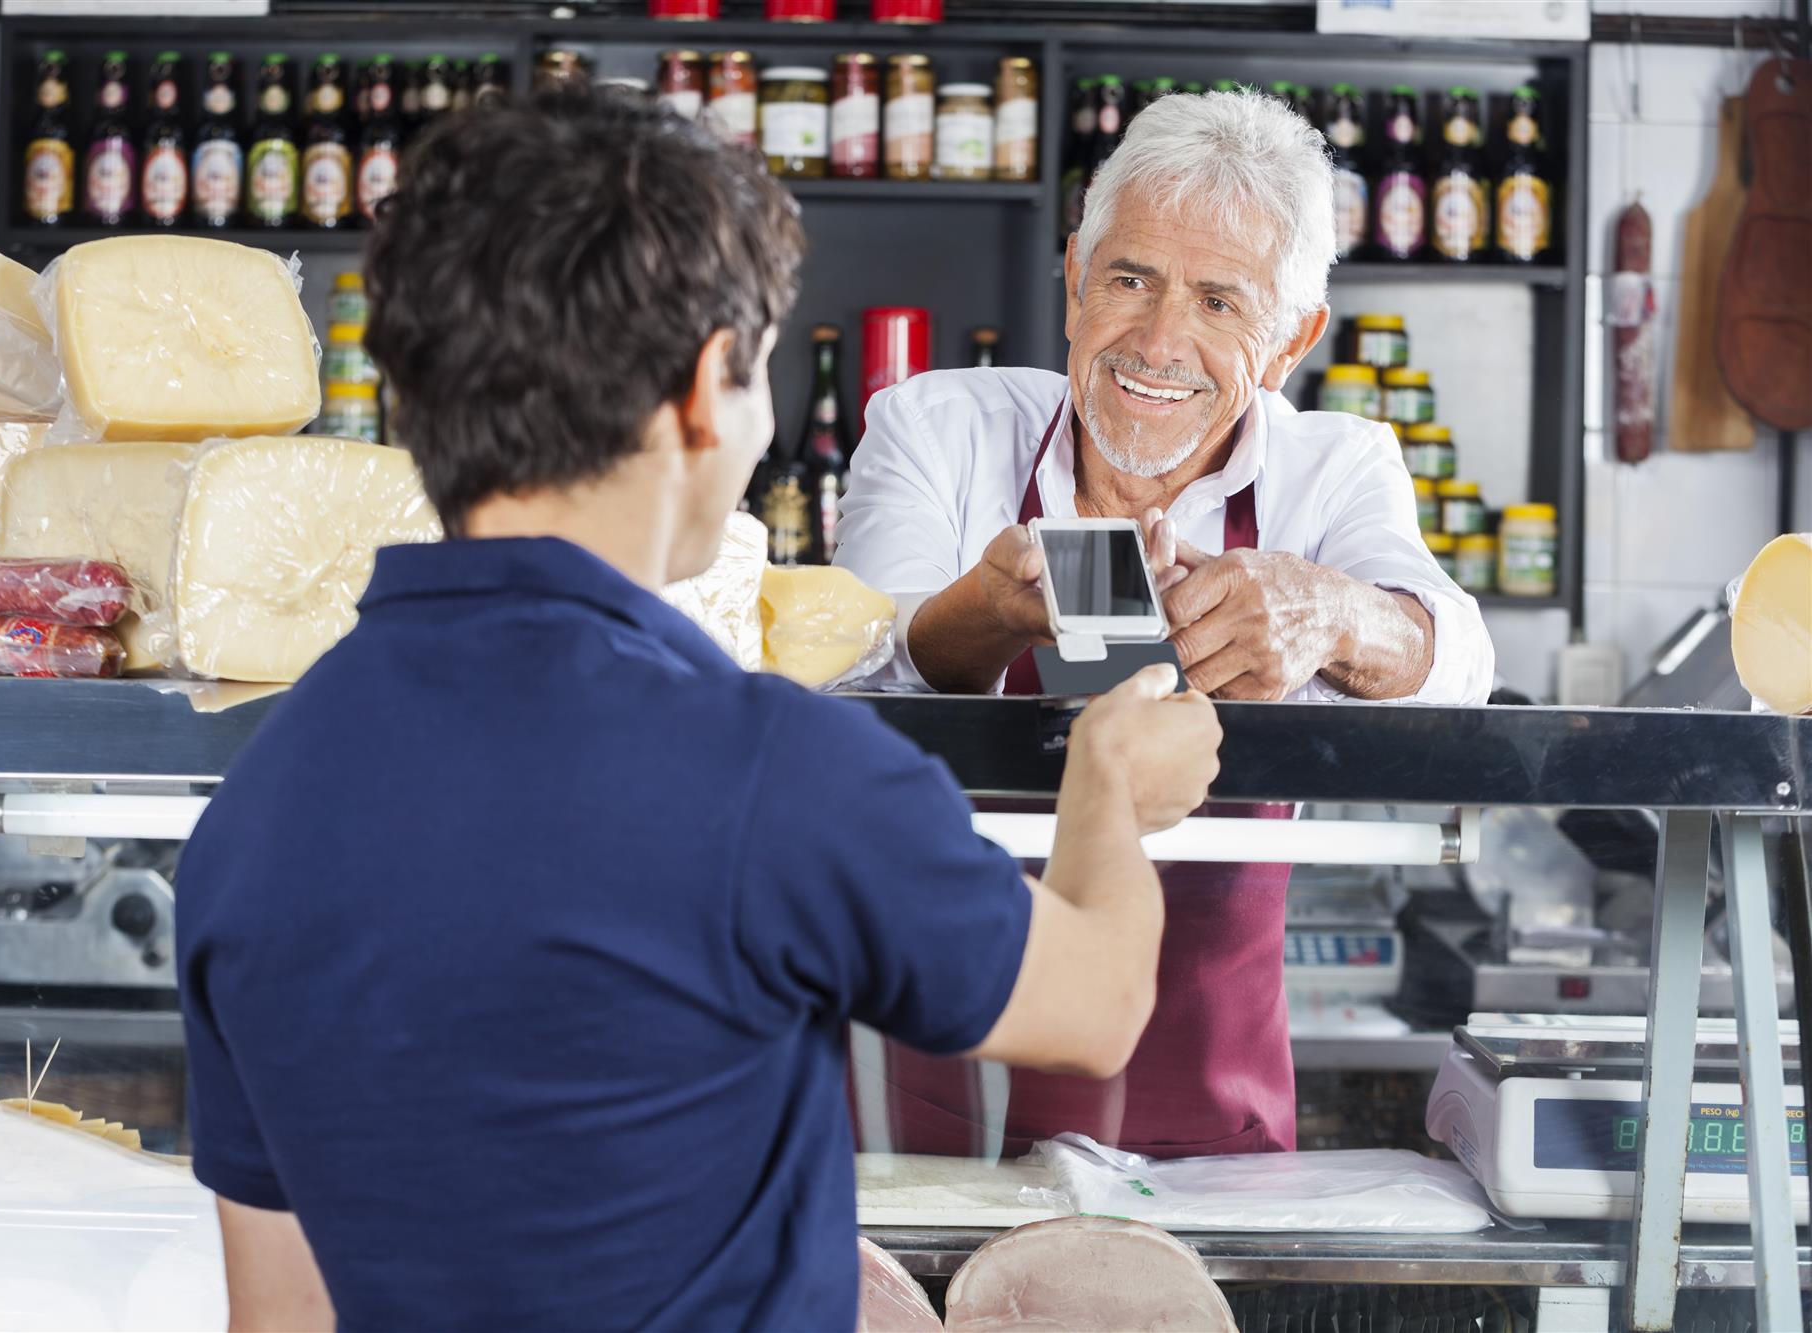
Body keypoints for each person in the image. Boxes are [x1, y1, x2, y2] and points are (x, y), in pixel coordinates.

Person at [175, 90, 1222, 1331]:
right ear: (696, 390)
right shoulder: (775, 767)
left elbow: (280, 1313)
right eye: (763, 364)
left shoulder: (254, 814)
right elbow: (1095, 1008)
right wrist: (1109, 786)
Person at [836, 91, 1495, 1160]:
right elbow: (855, 667)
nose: (1158, 341)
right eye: (1129, 278)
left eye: (1221, 304)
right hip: (931, 1101)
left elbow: (1457, 666)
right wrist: (988, 614)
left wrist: (1334, 614)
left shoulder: (1335, 470)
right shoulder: (938, 429)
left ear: (1291, 340)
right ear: (1071, 280)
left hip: (1205, 1122)